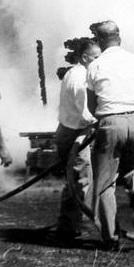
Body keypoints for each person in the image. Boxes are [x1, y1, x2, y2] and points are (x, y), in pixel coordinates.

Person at [86, 20, 134, 250]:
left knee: (105, 183)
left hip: (111, 123)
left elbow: (91, 106)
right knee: (133, 170)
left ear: (99, 41)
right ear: (119, 37)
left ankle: (111, 238)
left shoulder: (95, 65)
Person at [53, 37, 101, 240]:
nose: (100, 61)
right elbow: (85, 116)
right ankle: (68, 229)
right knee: (80, 180)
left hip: (67, 130)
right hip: (76, 135)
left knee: (76, 179)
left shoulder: (74, 72)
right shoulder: (81, 80)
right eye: (96, 58)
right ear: (84, 57)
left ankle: (71, 224)